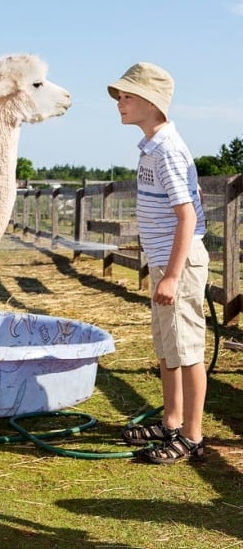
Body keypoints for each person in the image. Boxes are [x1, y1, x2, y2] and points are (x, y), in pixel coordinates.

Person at [107, 62, 209, 464]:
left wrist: (170, 275)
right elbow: (189, 194)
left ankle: (193, 437)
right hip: (164, 263)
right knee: (168, 349)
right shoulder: (153, 148)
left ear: (152, 102)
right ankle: (171, 422)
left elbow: (188, 216)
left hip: (177, 266)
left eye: (127, 96)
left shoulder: (166, 149)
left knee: (187, 350)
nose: (120, 103)